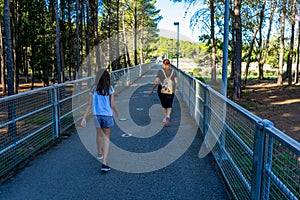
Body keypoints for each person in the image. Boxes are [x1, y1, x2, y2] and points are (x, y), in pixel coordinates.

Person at [81, 68, 119, 173]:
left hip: (97, 115)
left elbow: (89, 104)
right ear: (107, 78)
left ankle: (99, 153)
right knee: (107, 138)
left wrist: (84, 118)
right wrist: (116, 112)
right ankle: (105, 163)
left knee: (99, 134)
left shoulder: (93, 88)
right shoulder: (109, 88)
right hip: (107, 115)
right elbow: (112, 104)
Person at [149, 59, 178, 123]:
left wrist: (152, 89)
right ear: (169, 64)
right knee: (169, 104)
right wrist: (175, 89)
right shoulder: (173, 71)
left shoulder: (160, 71)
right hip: (171, 89)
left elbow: (156, 82)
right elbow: (176, 82)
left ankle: (165, 118)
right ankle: (168, 116)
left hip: (162, 89)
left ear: (163, 64)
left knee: (163, 104)